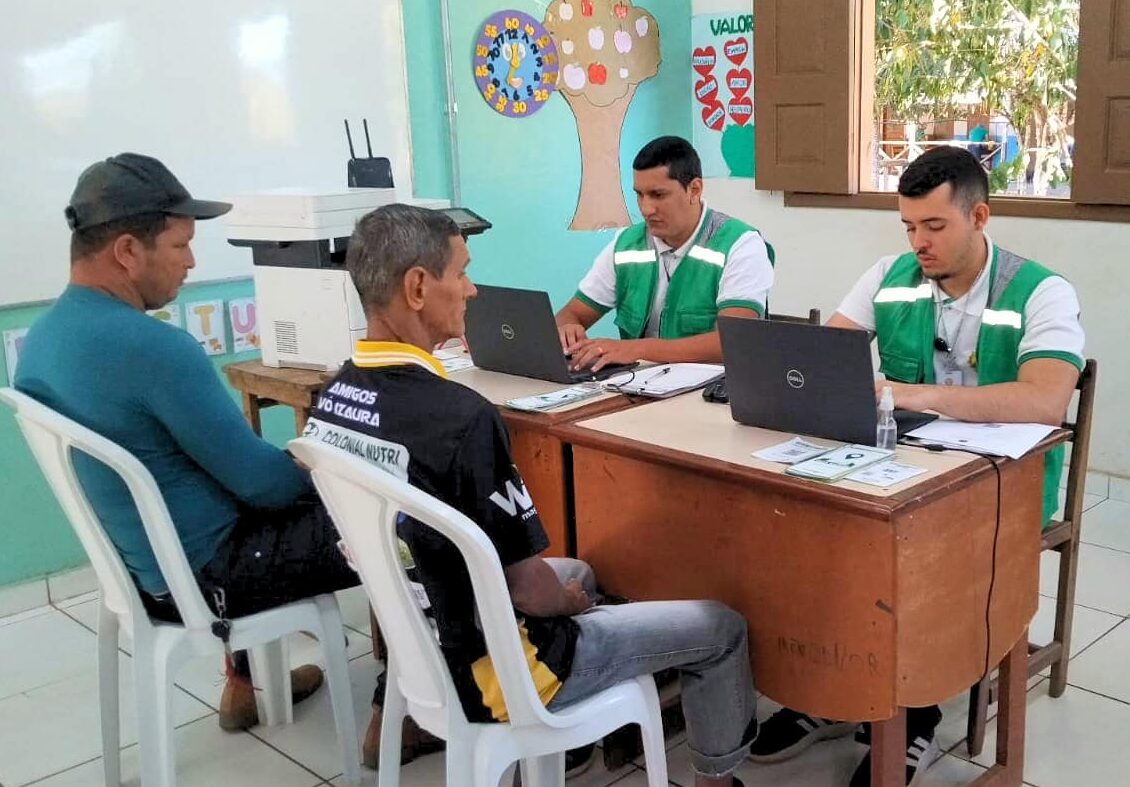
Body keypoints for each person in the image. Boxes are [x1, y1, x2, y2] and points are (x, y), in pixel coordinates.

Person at [304, 203, 759, 786]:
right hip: (499, 671)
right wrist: (569, 605)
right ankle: (712, 778)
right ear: (417, 287)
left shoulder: (333, 397)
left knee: (583, 571)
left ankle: (565, 752)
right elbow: (528, 589)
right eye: (461, 273)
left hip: (420, 641)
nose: (471, 291)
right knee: (721, 626)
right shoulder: (462, 418)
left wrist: (569, 592)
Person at [749, 146, 1084, 786]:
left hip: (1001, 486)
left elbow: (1044, 400)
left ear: (979, 217)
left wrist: (913, 394)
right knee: (800, 527)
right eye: (907, 226)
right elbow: (829, 357)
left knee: (915, 555)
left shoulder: (1042, 291)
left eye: (934, 226)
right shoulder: (889, 275)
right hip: (901, 469)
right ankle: (832, 687)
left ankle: (915, 712)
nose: (918, 243)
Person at [14, 153, 358, 731]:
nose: (191, 262)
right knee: (402, 522)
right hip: (210, 577)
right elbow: (266, 488)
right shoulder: (156, 349)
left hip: (144, 572)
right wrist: (326, 466)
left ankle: (246, 685)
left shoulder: (44, 341)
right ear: (128, 251)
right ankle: (413, 709)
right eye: (180, 246)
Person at [554, 136, 774, 373]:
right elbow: (571, 314)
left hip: (709, 388)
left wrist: (637, 349)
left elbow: (734, 340)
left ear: (694, 190)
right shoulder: (627, 243)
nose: (646, 208)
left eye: (658, 195)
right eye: (639, 194)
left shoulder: (740, 244)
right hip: (633, 385)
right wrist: (567, 329)